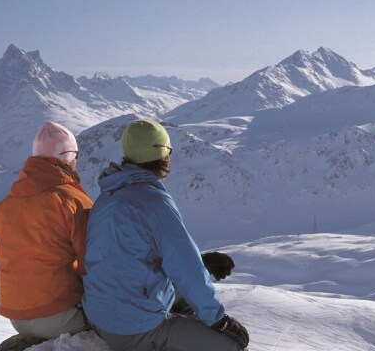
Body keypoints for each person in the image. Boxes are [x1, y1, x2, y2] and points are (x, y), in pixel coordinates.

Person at [82, 119, 249, 351]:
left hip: (100, 317)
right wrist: (219, 320)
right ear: (164, 155)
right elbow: (183, 264)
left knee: (181, 298)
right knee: (233, 344)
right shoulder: (153, 201)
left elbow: (130, 255)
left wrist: (202, 264)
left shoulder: (107, 196)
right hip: (134, 328)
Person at [0, 121, 92, 339]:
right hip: (60, 314)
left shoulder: (5, 205)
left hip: (16, 317)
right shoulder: (73, 200)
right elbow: (93, 262)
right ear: (68, 157)